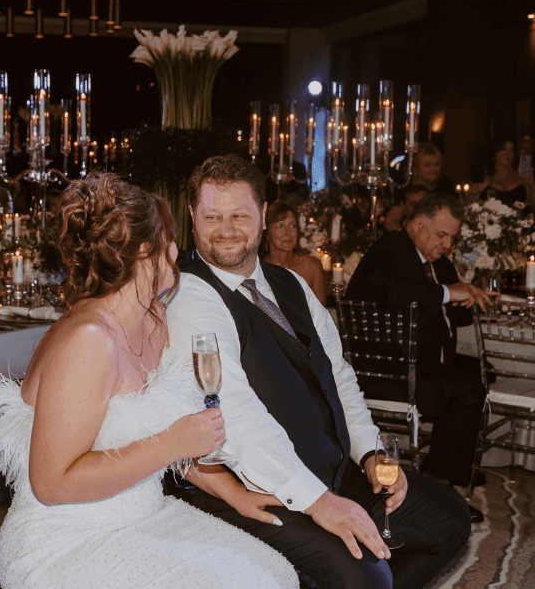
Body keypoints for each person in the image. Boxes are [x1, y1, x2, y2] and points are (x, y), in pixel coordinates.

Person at [166, 155, 471, 589]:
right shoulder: (189, 295)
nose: (226, 229)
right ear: (193, 217)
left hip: (331, 473)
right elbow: (233, 413)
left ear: (264, 215)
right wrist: (317, 501)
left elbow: (339, 376)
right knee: (367, 578)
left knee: (451, 519)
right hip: (259, 490)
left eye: (240, 215)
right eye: (212, 216)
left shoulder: (290, 284)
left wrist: (369, 454)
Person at [0, 172, 297, 589]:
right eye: (168, 237)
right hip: (67, 538)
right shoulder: (88, 341)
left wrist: (232, 492)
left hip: (145, 513)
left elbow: (160, 435)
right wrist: (172, 444)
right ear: (147, 250)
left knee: (276, 576)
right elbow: (52, 482)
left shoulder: (152, 321)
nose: (177, 248)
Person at [345, 193, 494, 505]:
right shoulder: (389, 250)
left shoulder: (438, 263)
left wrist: (468, 297)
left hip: (425, 361)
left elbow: (451, 307)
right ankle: (437, 486)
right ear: (417, 224)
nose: (447, 245)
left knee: (481, 375)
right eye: (442, 235)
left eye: (452, 237)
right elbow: (393, 291)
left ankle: (452, 468)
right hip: (391, 368)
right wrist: (446, 293)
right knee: (467, 391)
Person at [261, 200, 327, 305]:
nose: (288, 232)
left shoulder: (312, 267)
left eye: (293, 225)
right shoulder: (258, 271)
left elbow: (321, 317)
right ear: (267, 233)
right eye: (280, 226)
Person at [478, 138, 535, 209]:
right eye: (504, 149)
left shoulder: (523, 178)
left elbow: (532, 206)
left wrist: (531, 185)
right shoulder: (485, 180)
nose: (508, 153)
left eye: (512, 150)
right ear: (494, 154)